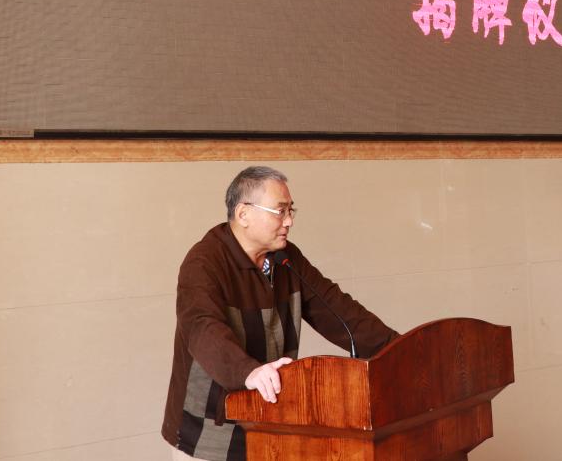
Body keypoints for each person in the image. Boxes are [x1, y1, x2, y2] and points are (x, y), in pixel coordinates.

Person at [162, 166, 398, 461]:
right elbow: (202, 328)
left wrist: (399, 350)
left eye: (290, 210)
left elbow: (340, 311)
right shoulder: (204, 262)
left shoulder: (287, 259)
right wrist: (248, 372)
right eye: (280, 211)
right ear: (244, 214)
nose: (289, 221)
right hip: (208, 433)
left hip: (271, 425)